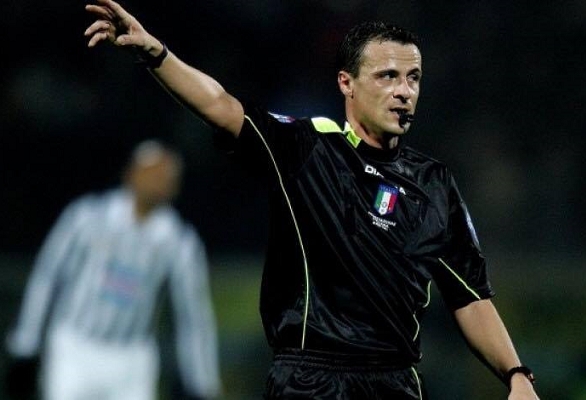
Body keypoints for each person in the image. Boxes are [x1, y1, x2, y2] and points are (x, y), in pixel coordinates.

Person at [83, 1, 540, 399]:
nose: (404, 91)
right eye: (388, 76)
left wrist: (516, 374)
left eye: (413, 78)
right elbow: (221, 106)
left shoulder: (434, 183)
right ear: (347, 83)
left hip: (395, 381)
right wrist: (156, 54)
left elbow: (470, 296)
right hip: (310, 379)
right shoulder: (308, 149)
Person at [5, 139, 222, 400]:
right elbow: (46, 277)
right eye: (152, 172)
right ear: (131, 173)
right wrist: (25, 342)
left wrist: (202, 382)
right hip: (75, 347)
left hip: (132, 358)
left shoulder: (178, 241)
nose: (158, 181)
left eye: (166, 176)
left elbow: (193, 314)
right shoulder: (86, 217)